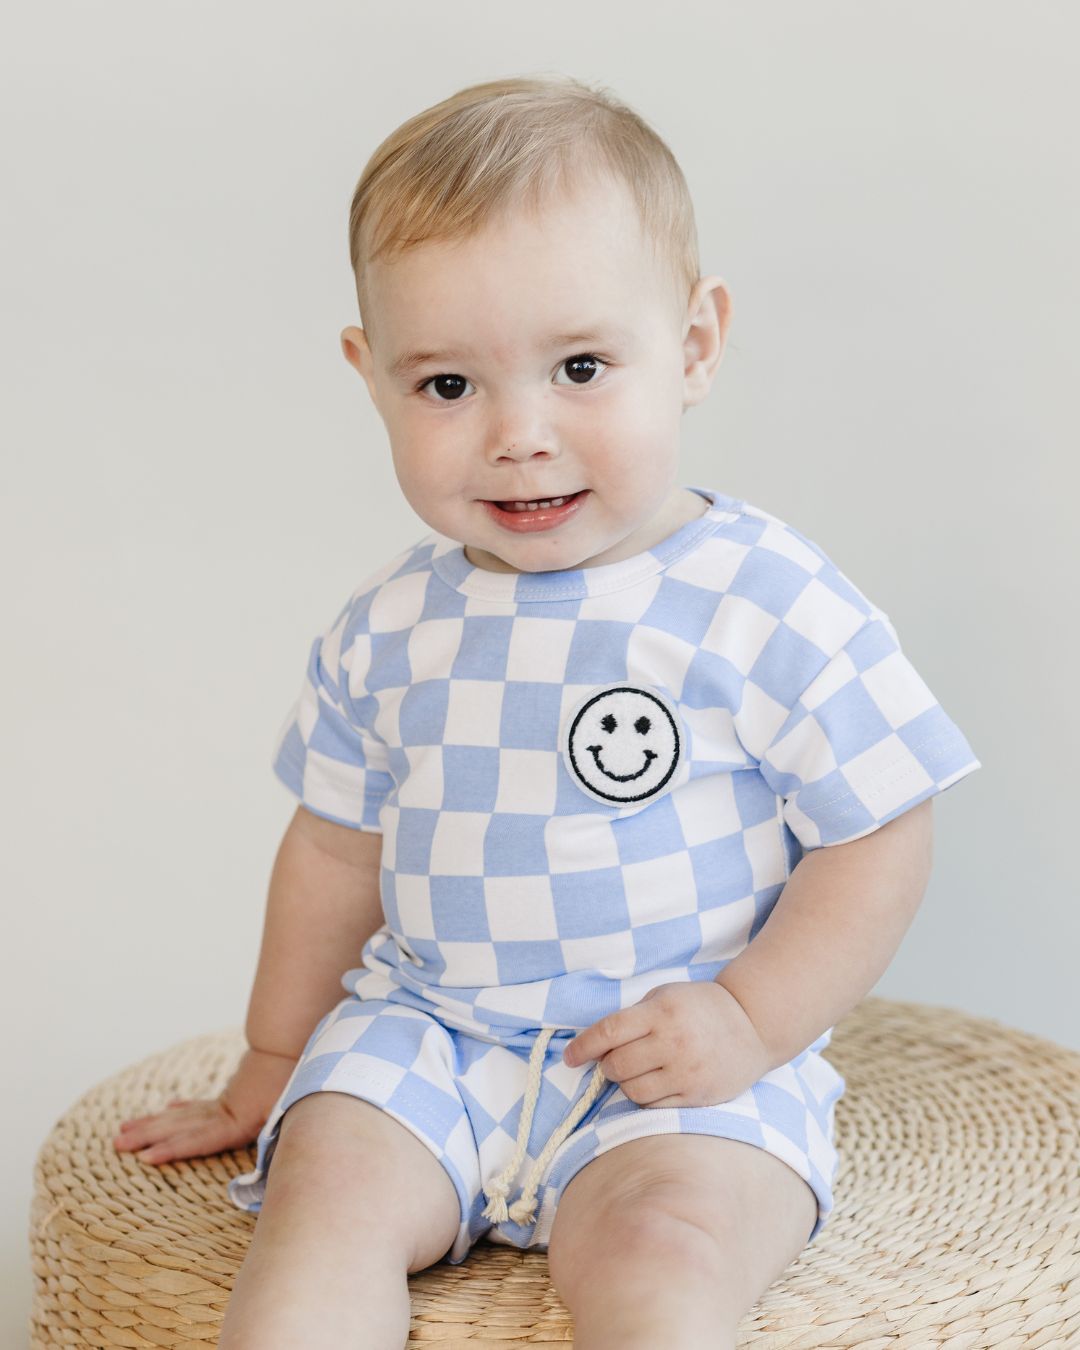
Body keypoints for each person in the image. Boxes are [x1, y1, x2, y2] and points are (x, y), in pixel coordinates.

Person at [113, 74, 981, 1350]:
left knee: (668, 1252)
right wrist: (273, 1058)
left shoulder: (763, 597)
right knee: (321, 1203)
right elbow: (336, 851)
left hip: (674, 1055)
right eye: (446, 386)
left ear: (693, 346)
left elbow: (880, 828)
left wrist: (750, 1018)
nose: (519, 434)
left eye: (580, 367)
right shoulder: (389, 627)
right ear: (371, 377)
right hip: (434, 1037)